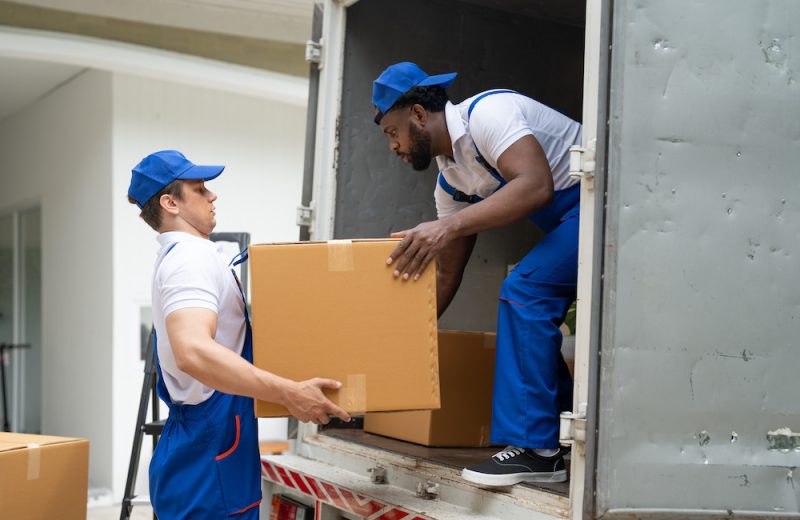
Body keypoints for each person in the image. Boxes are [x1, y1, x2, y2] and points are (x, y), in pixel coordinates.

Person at [372, 62, 581, 487]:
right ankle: (557, 438)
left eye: (392, 132)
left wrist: (447, 227)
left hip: (604, 204)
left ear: (416, 115)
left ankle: (537, 450)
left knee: (524, 291)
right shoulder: (451, 181)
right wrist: (408, 338)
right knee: (528, 295)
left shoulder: (488, 113)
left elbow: (537, 185)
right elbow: (448, 274)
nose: (393, 146)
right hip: (570, 221)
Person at [127, 150, 351, 518]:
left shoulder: (186, 256)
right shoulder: (190, 259)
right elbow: (193, 351)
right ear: (170, 203)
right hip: (208, 452)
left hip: (210, 445)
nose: (212, 196)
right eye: (199, 189)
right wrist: (289, 393)